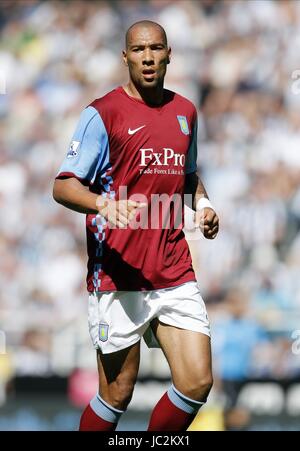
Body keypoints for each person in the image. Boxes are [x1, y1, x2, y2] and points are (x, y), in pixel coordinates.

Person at [53, 20, 219, 432]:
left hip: (173, 267)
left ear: (169, 54)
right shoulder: (102, 113)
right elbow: (62, 186)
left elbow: (187, 175)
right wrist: (103, 204)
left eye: (156, 49)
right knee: (118, 393)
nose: (148, 57)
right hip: (118, 274)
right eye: (139, 50)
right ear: (125, 56)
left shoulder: (185, 112)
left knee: (197, 382)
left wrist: (203, 205)